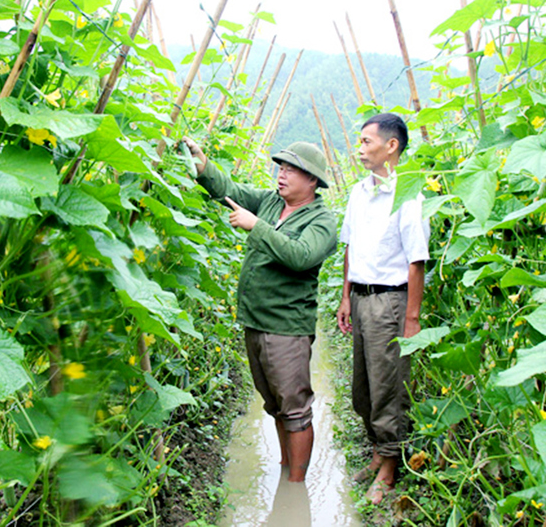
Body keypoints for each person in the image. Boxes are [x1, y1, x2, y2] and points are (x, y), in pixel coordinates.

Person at [180, 137, 338, 482]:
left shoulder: (322, 221)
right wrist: (203, 165)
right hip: (256, 323)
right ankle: (287, 469)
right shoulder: (270, 202)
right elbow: (229, 190)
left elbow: (301, 256)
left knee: (295, 409)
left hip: (286, 328)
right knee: (276, 406)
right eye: (281, 167)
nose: (282, 175)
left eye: (292, 170)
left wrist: (257, 226)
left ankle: (296, 489)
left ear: (312, 180)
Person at [336, 113, 429, 504]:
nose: (360, 149)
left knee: (389, 386)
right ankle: (377, 453)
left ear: (391, 146)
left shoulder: (410, 195)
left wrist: (411, 319)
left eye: (366, 142)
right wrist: (345, 297)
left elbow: (416, 261)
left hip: (390, 301)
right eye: (358, 142)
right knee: (365, 387)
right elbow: (350, 247)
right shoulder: (359, 192)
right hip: (360, 297)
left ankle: (390, 468)